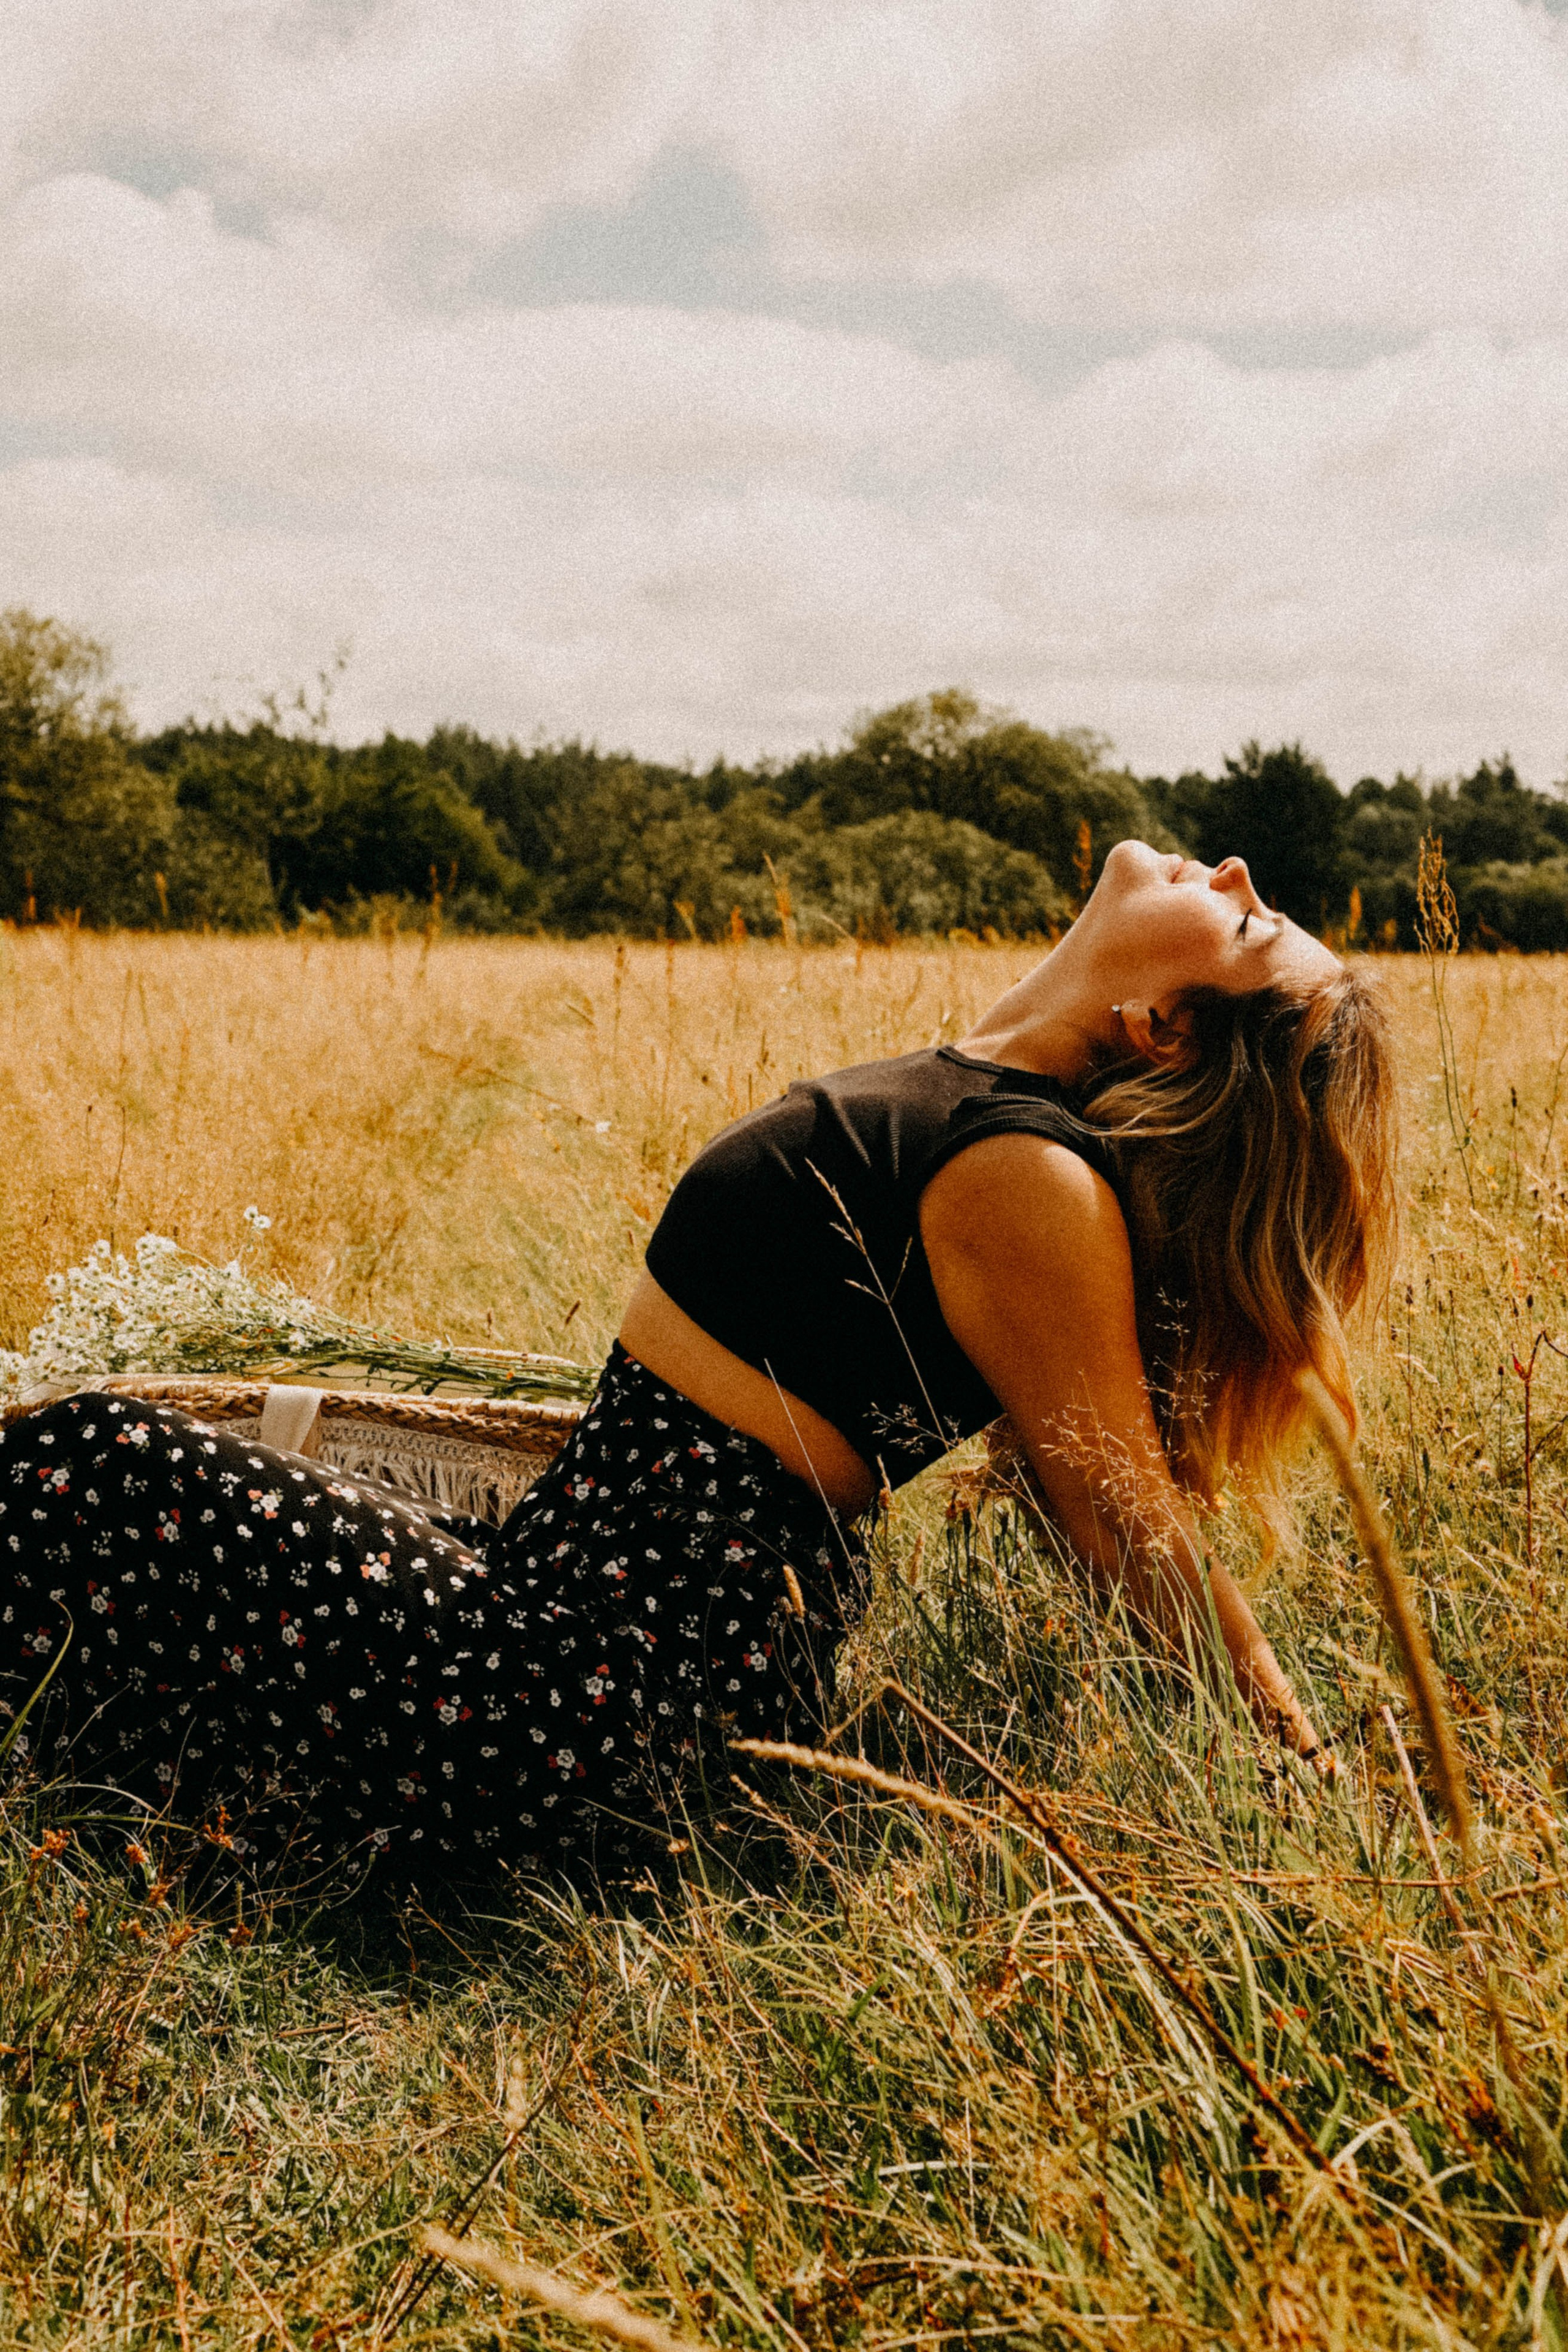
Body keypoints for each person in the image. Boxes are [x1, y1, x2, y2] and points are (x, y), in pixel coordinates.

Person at [1, 845, 1395, 1886]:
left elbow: (1124, 1520)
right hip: (573, 1616)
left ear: (1161, 1026)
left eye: (1246, 922)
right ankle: (148, 1822)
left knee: (82, 1461)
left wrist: (1308, 1777)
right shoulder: (986, 1114)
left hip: (600, 1687)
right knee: (156, 1551)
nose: (1231, 870)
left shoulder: (1024, 1173)